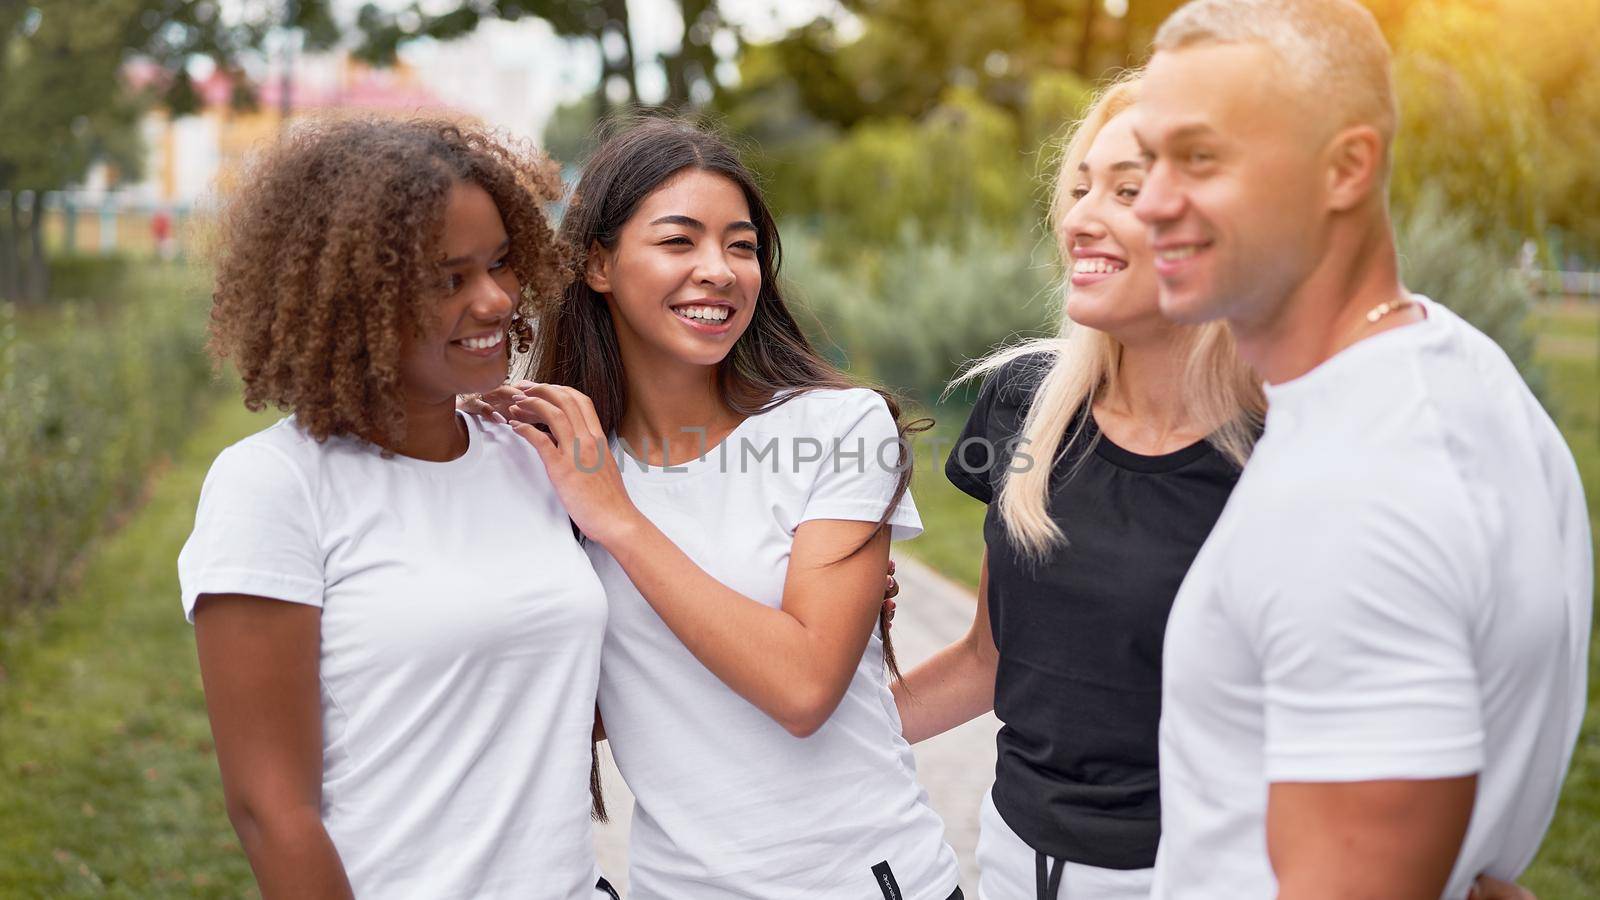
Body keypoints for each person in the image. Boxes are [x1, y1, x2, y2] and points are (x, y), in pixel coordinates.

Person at [1130, 1, 1592, 897]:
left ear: (1346, 168)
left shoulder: (1353, 497)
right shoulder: (1460, 371)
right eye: (1148, 158)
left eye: (1199, 157)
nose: (1151, 201)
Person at [486, 118, 963, 900]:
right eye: (680, 241)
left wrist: (620, 521)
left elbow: (805, 688)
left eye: (740, 246)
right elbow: (573, 707)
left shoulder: (836, 428)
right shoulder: (556, 465)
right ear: (598, 264)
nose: (719, 270)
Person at [177, 118, 619, 899]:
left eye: (501, 263)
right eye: (448, 279)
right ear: (353, 302)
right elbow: (271, 810)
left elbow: (567, 695)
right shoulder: (274, 487)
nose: (493, 300)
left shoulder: (530, 459)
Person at [892, 74, 1264, 900]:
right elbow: (989, 660)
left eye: (1126, 191)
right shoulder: (1025, 401)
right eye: (1081, 187)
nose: (1079, 218)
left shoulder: (1285, 460)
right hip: (1011, 863)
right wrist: (809, 733)